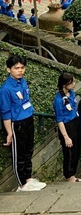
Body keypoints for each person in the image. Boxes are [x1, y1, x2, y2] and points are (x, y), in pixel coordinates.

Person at [1, 55, 46, 191]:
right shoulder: (5, 89)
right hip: (17, 123)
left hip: (28, 118)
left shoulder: (23, 81)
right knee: (19, 154)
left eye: (22, 68)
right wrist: (9, 132)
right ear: (9, 69)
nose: (20, 70)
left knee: (28, 151)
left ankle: (28, 178)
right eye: (16, 68)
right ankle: (22, 184)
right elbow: (5, 112)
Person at [54, 72, 81, 182]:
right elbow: (59, 120)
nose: (74, 84)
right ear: (64, 84)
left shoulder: (71, 94)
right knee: (70, 152)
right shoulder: (58, 100)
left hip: (75, 121)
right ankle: (69, 175)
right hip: (67, 126)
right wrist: (66, 136)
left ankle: (74, 174)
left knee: (77, 150)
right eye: (71, 83)